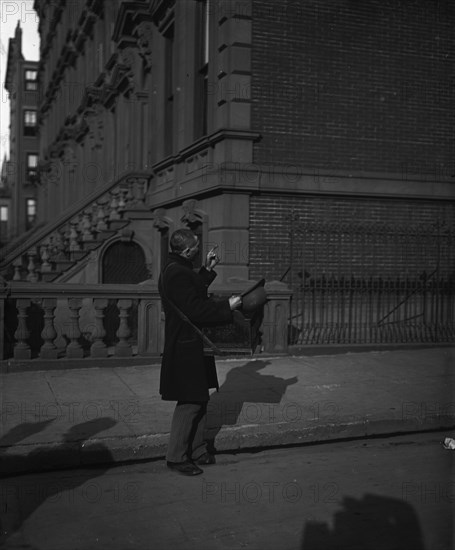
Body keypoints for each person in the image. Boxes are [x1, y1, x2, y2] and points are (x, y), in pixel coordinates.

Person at [158, 228, 242, 476]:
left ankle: (197, 450)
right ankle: (176, 457)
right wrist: (228, 306)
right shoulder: (177, 273)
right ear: (186, 250)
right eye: (196, 248)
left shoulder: (175, 268)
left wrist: (206, 269)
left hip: (193, 344)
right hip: (186, 346)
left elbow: (191, 291)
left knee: (200, 397)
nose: (199, 250)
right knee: (190, 401)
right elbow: (195, 309)